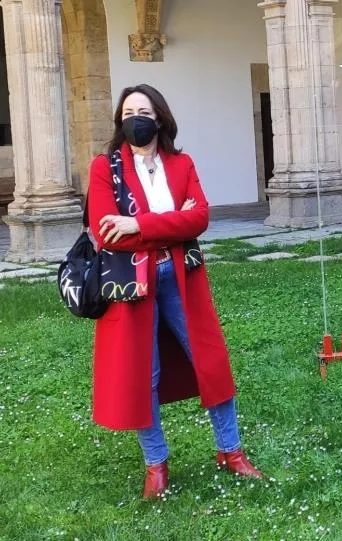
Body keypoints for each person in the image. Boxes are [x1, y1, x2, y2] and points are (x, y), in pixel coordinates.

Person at [87, 84, 262, 500]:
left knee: (211, 361)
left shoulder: (181, 164)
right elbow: (105, 230)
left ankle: (230, 451)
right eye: (127, 112)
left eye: (143, 110)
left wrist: (140, 225)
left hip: (182, 276)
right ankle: (156, 465)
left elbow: (199, 217)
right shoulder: (104, 167)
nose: (135, 118)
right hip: (133, 286)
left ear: (159, 117)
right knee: (142, 375)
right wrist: (169, 223)